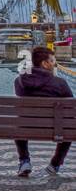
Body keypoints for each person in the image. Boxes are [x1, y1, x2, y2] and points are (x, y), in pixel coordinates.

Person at [15, 45, 73, 177]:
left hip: (25, 127)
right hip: (55, 128)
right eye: (52, 61)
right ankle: (55, 164)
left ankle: (24, 161)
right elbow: (71, 107)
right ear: (44, 64)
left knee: (20, 121)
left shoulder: (19, 81)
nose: (54, 64)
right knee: (69, 127)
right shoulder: (60, 83)